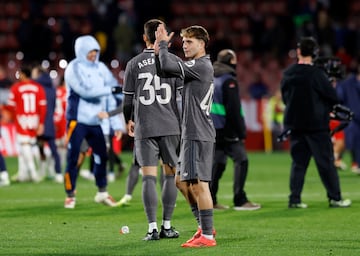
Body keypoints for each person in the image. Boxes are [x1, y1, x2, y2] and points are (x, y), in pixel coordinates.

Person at [156, 24, 217, 247]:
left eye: (189, 41)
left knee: (199, 185)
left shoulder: (200, 66)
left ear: (202, 44)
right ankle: (204, 225)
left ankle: (207, 236)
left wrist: (163, 44)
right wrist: (159, 52)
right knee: (181, 182)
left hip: (197, 133)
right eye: (183, 42)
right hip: (191, 133)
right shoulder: (196, 66)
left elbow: (168, 64)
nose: (185, 45)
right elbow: (165, 69)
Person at [122, 19, 182, 241]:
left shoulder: (133, 64)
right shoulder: (174, 62)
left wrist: (128, 120)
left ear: (144, 37)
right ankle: (167, 226)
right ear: (163, 36)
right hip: (170, 125)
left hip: (145, 126)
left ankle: (152, 228)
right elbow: (181, 98)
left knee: (148, 177)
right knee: (170, 176)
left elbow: (127, 101)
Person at [280, 37, 351, 208]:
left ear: (298, 52)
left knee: (298, 164)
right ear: (315, 53)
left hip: (295, 125)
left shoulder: (288, 73)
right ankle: (335, 197)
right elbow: (333, 98)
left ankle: (294, 199)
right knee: (325, 163)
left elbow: (285, 98)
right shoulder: (317, 74)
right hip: (316, 125)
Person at [63, 35, 123, 209]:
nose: (93, 54)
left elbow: (112, 96)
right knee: (74, 158)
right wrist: (112, 89)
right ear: (81, 51)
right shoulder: (73, 68)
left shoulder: (101, 68)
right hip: (77, 120)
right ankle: (70, 194)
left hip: (96, 121)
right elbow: (85, 91)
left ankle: (102, 192)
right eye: (90, 51)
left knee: (102, 156)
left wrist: (117, 123)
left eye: (95, 51)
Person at [210, 49, 261, 211]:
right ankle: (240, 199)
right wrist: (241, 132)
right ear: (232, 61)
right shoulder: (228, 81)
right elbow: (233, 109)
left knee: (217, 164)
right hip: (227, 129)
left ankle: (210, 200)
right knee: (242, 160)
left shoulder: (211, 78)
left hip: (213, 127)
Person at [6, 65, 47, 182]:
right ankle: (22, 174)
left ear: (23, 74)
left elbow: (10, 106)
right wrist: (41, 123)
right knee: (24, 148)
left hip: (22, 120)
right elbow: (43, 107)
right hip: (34, 119)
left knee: (25, 146)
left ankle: (33, 173)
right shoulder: (38, 88)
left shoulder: (16, 88)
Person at [31, 65, 63, 183]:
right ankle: (58, 172)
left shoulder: (35, 87)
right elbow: (54, 106)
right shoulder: (52, 88)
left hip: (38, 121)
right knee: (53, 149)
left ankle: (40, 172)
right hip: (49, 121)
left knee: (38, 148)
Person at [336, 59, 360, 175]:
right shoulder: (348, 83)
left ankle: (342, 160)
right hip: (351, 117)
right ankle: (338, 159)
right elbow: (339, 98)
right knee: (350, 139)